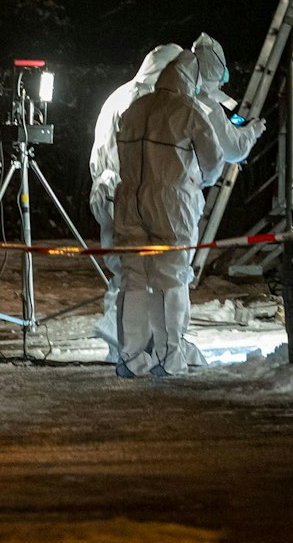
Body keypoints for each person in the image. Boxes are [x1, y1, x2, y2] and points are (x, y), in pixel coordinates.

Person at [112, 51, 264, 377]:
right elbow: (214, 160)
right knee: (170, 278)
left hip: (129, 201)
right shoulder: (187, 109)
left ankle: (132, 358)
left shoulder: (136, 106)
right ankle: (170, 358)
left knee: (133, 279)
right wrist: (196, 180)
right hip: (170, 202)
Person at [88, 44, 185, 361]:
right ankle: (141, 345)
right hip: (135, 197)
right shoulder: (152, 102)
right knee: (150, 275)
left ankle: (125, 347)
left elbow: (100, 154)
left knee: (124, 273)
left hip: (109, 192)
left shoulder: (118, 95)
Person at [189, 33, 260, 185]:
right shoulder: (207, 104)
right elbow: (235, 150)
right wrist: (252, 131)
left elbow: (227, 110)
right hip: (188, 185)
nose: (222, 84)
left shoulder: (189, 93)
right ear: (215, 71)